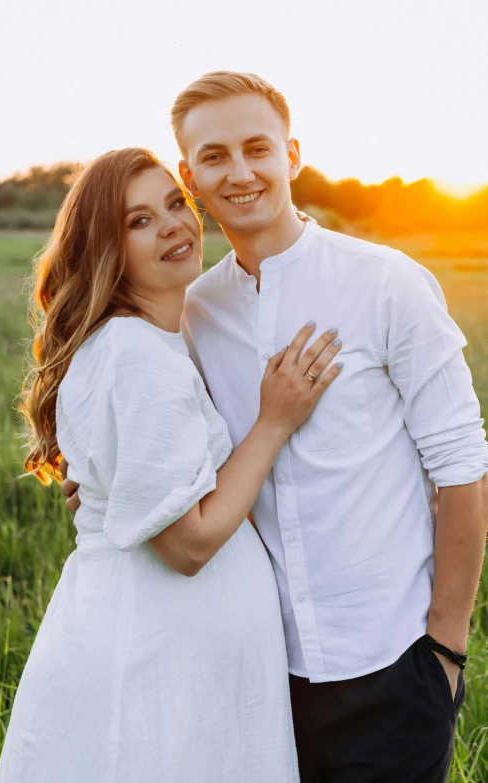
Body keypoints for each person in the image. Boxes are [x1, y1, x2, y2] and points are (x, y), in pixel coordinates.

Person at [173, 71, 488, 782]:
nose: (241, 171)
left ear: (293, 154)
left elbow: (462, 463)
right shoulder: (193, 313)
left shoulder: (387, 282)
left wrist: (445, 645)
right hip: (255, 670)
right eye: (215, 157)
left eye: (258, 147)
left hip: (393, 664)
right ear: (188, 175)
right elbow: (176, 453)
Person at [0, 147, 344, 783]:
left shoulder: (158, 339)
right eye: (138, 222)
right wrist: (275, 421)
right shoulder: (135, 353)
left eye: (174, 204)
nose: (173, 226)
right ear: (106, 250)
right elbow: (188, 544)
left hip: (180, 663)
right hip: (155, 658)